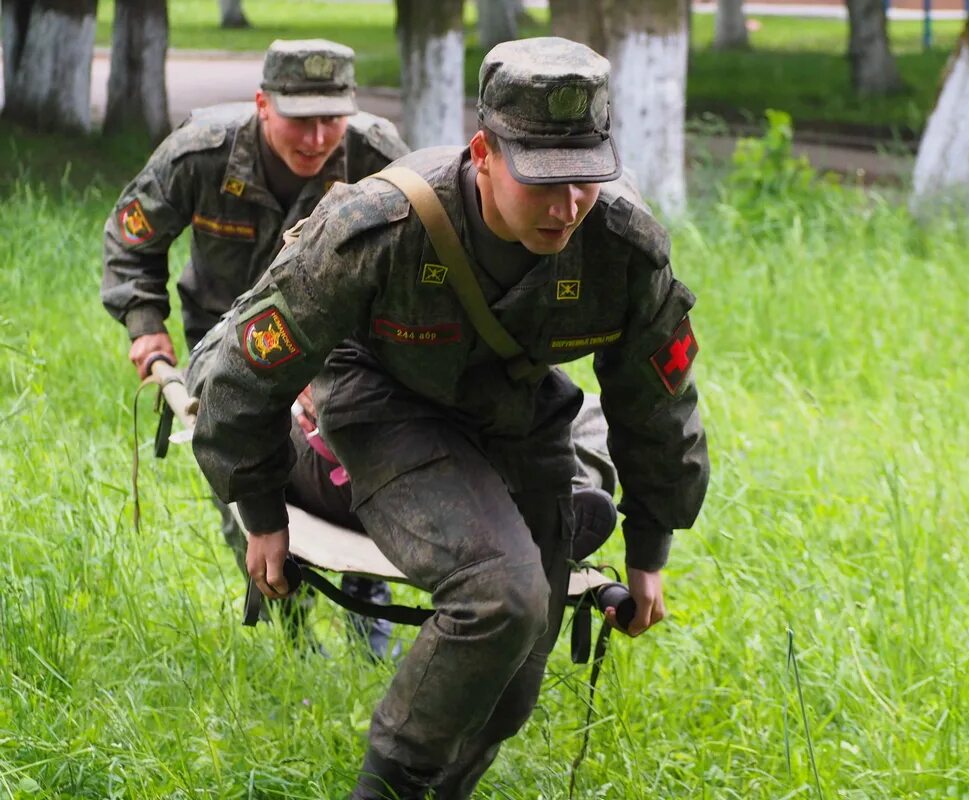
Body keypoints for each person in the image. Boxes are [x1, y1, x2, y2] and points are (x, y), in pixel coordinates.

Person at [188, 36, 708, 799]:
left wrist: (652, 539)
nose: (567, 207)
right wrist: (262, 510)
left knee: (515, 677)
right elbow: (246, 369)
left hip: (518, 417)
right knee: (504, 593)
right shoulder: (379, 227)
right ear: (484, 153)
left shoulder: (621, 248)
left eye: (585, 179)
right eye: (543, 181)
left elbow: (658, 401)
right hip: (382, 405)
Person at [100, 39, 410, 658]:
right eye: (301, 118)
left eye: (332, 117)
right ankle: (291, 633)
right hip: (226, 344)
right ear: (263, 104)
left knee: (362, 475)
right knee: (241, 481)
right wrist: (145, 323)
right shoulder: (202, 153)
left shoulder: (377, 153)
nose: (319, 137)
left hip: (341, 347)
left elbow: (418, 261)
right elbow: (132, 237)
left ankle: (369, 618)